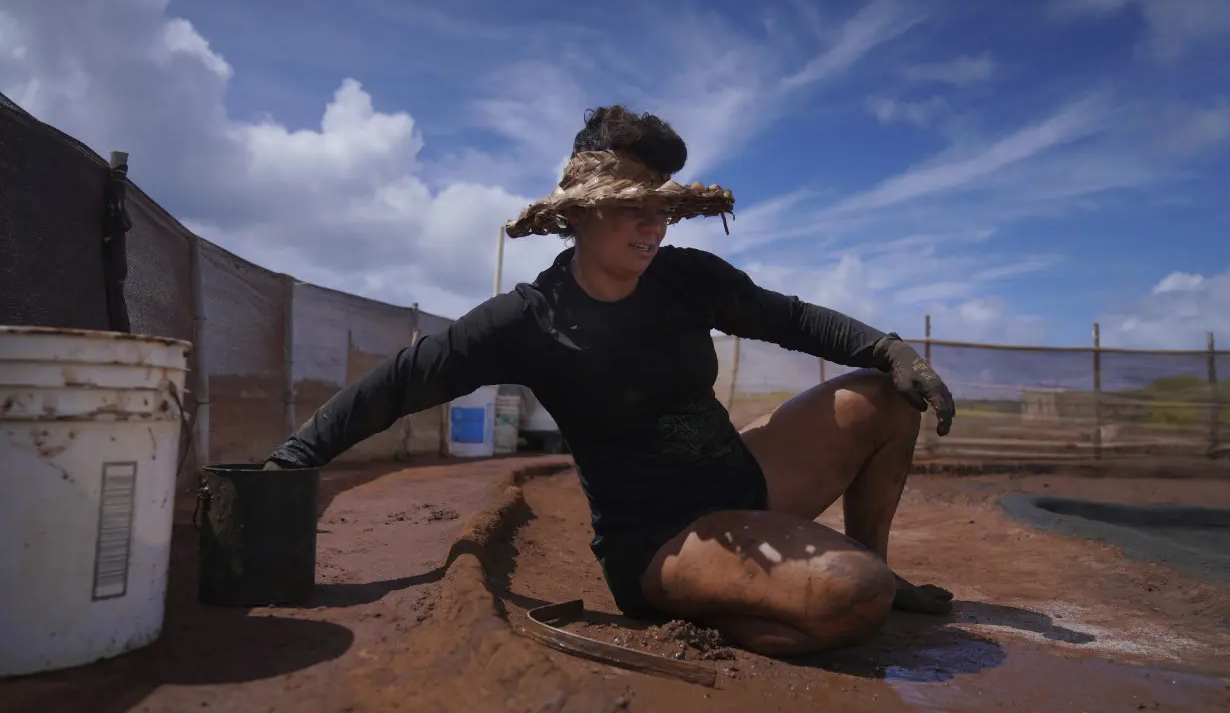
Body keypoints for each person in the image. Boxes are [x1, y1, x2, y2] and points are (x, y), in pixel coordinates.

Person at [263, 105, 957, 656]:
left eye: (660, 206)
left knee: (887, 396)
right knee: (849, 597)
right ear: (578, 212)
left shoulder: (687, 279)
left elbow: (794, 319)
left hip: (747, 480)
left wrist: (889, 348)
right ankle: (741, 606)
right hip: (662, 540)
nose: (653, 223)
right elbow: (402, 382)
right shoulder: (527, 321)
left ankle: (879, 565)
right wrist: (292, 460)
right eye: (633, 205)